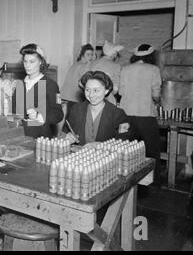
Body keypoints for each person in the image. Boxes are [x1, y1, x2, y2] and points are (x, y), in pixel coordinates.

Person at [119, 44, 162, 185]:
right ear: (150, 56)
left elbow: (120, 92)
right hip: (146, 115)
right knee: (151, 149)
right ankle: (152, 181)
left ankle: (125, 179)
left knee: (126, 149)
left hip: (126, 114)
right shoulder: (154, 69)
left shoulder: (125, 69)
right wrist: (157, 101)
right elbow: (156, 94)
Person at [65, 71, 131, 146]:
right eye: (87, 90)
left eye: (96, 90)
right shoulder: (76, 109)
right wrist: (67, 138)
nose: (91, 95)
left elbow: (124, 140)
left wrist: (102, 145)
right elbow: (65, 132)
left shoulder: (117, 114)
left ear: (106, 91)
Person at [12, 43, 63, 138]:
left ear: (40, 62)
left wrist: (39, 116)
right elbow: (14, 111)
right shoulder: (20, 84)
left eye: (32, 62)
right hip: (20, 136)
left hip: (41, 138)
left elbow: (58, 114)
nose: (27, 65)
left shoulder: (51, 85)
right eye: (25, 62)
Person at [62, 44, 95, 115]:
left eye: (92, 55)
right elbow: (84, 83)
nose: (90, 57)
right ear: (82, 55)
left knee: (67, 121)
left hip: (65, 97)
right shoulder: (84, 66)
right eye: (88, 54)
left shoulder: (75, 64)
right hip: (74, 98)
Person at [90, 40, 123, 105]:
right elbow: (115, 89)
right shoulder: (116, 66)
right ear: (115, 54)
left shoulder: (92, 63)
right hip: (106, 100)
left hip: (90, 98)